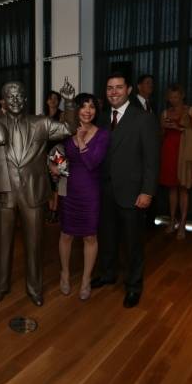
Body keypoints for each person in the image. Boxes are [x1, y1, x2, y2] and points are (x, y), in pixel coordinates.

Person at [0, 80, 76, 306]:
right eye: (9, 96)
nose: (15, 99)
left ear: (25, 99)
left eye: (19, 95)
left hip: (32, 193)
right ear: (3, 100)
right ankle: (0, 287)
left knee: (35, 245)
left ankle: (35, 289)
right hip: (5, 192)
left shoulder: (41, 122)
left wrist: (70, 103)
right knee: (2, 244)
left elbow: (69, 129)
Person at [92, 72, 160, 309]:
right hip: (104, 190)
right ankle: (108, 273)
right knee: (107, 237)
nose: (113, 92)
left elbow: (152, 160)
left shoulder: (143, 118)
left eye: (119, 87)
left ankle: (133, 286)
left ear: (129, 90)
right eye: (109, 88)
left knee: (132, 243)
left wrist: (147, 191)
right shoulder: (100, 119)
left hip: (132, 192)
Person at [52, 93, 109, 300]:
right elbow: (56, 153)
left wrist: (81, 141)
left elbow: (93, 162)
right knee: (66, 234)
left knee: (90, 236)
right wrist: (55, 167)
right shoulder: (66, 131)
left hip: (90, 191)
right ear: (76, 110)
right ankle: (65, 274)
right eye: (83, 106)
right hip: (69, 188)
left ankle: (86, 280)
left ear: (96, 111)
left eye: (92, 107)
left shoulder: (102, 134)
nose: (87, 110)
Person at [158, 84, 192, 239]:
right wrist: (163, 127)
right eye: (171, 97)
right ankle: (171, 221)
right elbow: (160, 136)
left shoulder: (191, 111)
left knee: (184, 187)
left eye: (176, 96)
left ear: (182, 96)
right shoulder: (164, 112)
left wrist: (180, 127)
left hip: (185, 151)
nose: (173, 100)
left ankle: (182, 223)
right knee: (171, 188)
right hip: (169, 150)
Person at [44, 90, 63, 222]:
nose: (53, 100)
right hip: (45, 151)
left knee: (57, 182)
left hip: (58, 152)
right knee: (48, 182)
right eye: (50, 98)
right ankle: (50, 209)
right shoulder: (43, 116)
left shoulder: (62, 115)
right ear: (47, 101)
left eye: (55, 98)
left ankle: (55, 211)